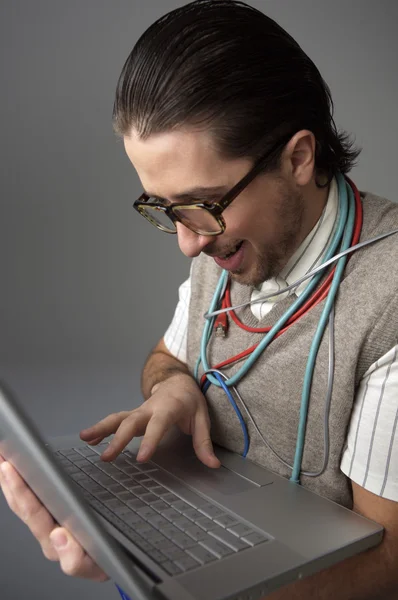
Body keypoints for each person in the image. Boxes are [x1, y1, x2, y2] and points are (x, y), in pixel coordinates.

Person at [1, 0, 398, 598]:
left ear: (298, 158)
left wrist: (163, 575)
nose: (187, 244)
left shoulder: (389, 300)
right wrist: (174, 386)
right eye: (163, 208)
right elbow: (168, 358)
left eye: (202, 205)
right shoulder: (228, 242)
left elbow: (386, 563)